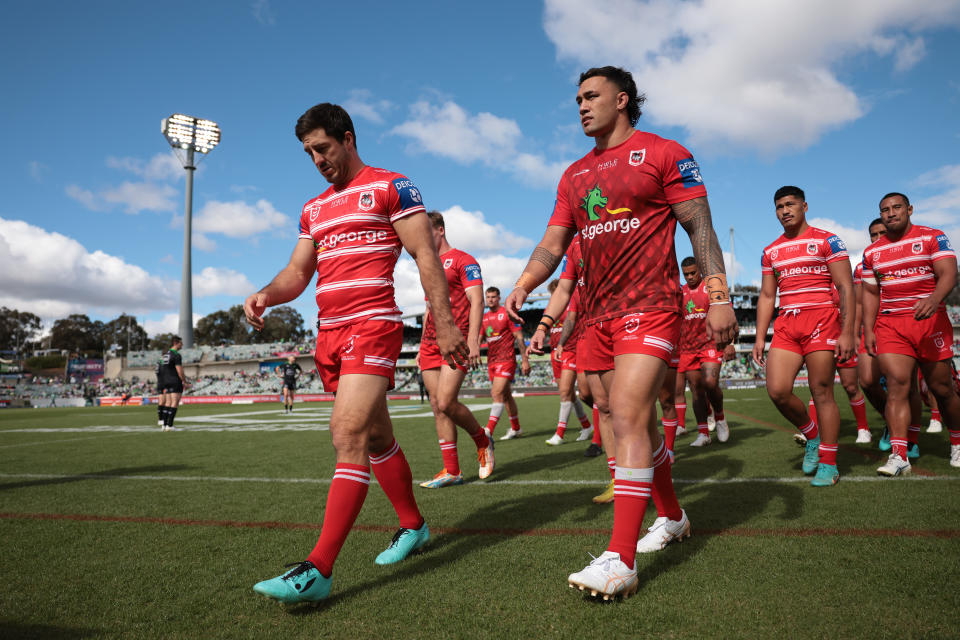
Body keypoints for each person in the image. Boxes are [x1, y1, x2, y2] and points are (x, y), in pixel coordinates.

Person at [505, 66, 737, 599]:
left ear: (622, 99)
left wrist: (719, 296)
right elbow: (554, 240)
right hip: (597, 317)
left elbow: (699, 225)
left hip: (652, 306)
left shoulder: (664, 152)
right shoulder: (573, 174)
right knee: (630, 422)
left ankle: (620, 560)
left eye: (592, 96)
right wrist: (524, 283)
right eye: (578, 99)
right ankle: (674, 517)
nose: (582, 106)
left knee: (631, 414)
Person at [245, 103, 469, 605]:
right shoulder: (313, 209)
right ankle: (414, 527)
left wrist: (448, 324)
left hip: (373, 326)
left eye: (322, 148)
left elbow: (425, 256)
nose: (317, 160)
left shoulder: (392, 186)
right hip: (329, 334)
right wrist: (265, 293)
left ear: (347, 138)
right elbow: (298, 273)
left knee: (346, 432)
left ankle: (318, 568)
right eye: (308, 153)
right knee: (374, 436)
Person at [752, 186, 855, 487]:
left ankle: (829, 462)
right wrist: (760, 337)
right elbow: (768, 295)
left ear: (804, 206)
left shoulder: (827, 240)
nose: (784, 211)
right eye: (779, 206)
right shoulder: (771, 250)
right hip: (787, 324)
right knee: (777, 391)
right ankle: (813, 436)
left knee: (821, 390)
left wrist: (848, 331)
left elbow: (846, 287)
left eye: (790, 204)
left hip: (822, 319)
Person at [862, 192, 960, 474]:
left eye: (896, 207)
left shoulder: (932, 237)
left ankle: (957, 442)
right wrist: (868, 328)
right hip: (891, 324)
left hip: (930, 322)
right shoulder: (872, 252)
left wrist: (933, 299)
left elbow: (949, 273)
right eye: (885, 210)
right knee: (897, 386)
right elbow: (870, 292)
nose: (890, 213)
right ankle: (899, 454)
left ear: (909, 209)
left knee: (942, 389)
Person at [417, 211, 495, 488]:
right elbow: (429, 308)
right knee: (438, 408)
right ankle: (452, 471)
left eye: (426, 229)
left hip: (456, 342)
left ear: (439, 230)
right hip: (429, 343)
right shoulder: (427, 265)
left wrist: (474, 339)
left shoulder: (464, 260)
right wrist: (420, 346)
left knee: (447, 401)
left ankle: (482, 439)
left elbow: (477, 301)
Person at [676, 257, 732, 447]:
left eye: (693, 272)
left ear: (699, 270)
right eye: (686, 274)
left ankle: (720, 417)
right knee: (697, 391)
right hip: (688, 348)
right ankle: (703, 434)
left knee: (710, 382)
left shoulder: (711, 289)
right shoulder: (680, 293)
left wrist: (729, 342)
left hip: (710, 345)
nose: (690, 277)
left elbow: (725, 314)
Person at [482, 286, 531, 440]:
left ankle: (488, 431)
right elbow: (478, 338)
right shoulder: (483, 317)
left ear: (499, 298)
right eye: (488, 297)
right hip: (492, 361)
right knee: (506, 395)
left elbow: (520, 337)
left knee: (496, 393)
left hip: (507, 359)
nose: (490, 299)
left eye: (493, 297)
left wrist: (524, 360)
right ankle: (516, 428)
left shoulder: (507, 313)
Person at [156, 336, 186, 432]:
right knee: (174, 402)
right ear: (175, 343)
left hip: (165, 381)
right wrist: (184, 380)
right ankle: (170, 425)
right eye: (181, 343)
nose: (182, 345)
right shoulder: (176, 355)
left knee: (168, 402)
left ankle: (164, 425)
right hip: (174, 381)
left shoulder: (165, 356)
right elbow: (179, 371)